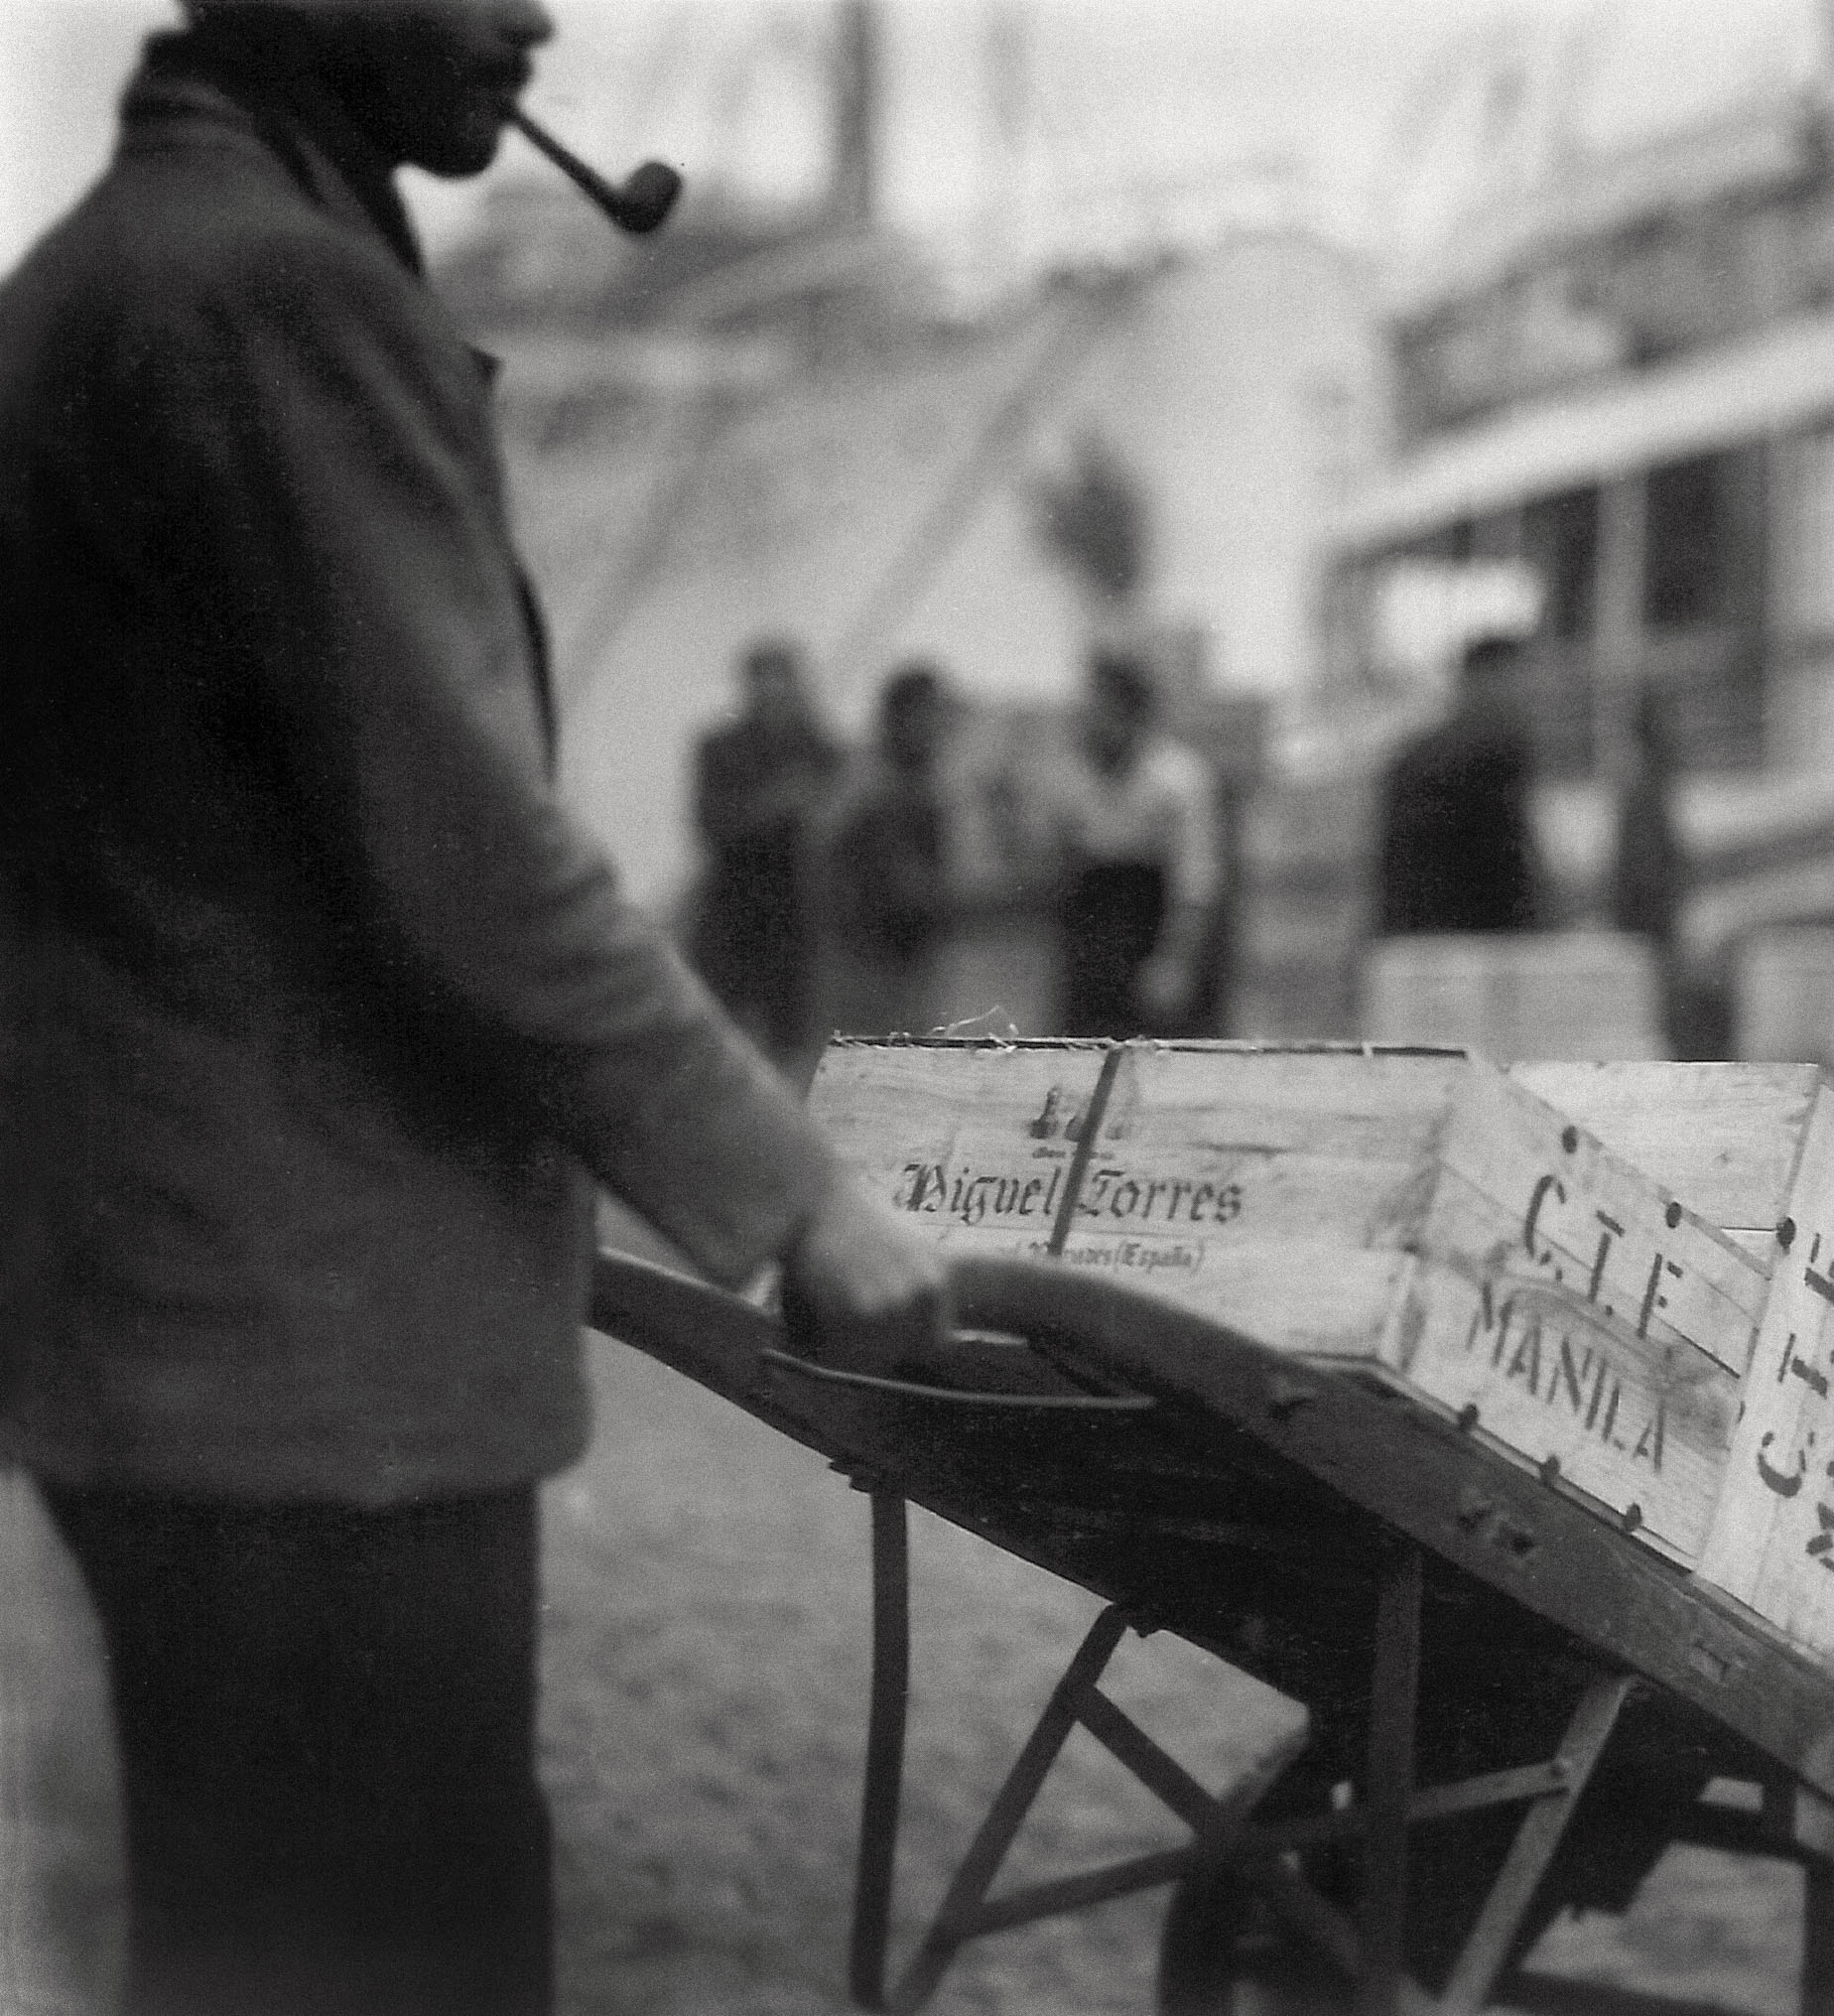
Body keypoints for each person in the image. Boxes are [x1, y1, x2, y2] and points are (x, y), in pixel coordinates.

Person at [0, 7, 942, 2015]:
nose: (533, 21)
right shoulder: (277, 297)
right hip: (315, 1378)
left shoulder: (93, 275)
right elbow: (479, 865)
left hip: (152, 1333)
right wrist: (798, 1199)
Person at [1039, 649, 1223, 1037]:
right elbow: (1055, 865)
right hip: (1092, 950)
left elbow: (1196, 884)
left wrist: (1176, 962)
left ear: (1132, 713)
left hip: (1152, 940)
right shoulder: (1070, 776)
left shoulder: (1179, 778)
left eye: (1103, 710)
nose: (1091, 721)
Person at [687, 636, 845, 1072]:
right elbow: (712, 827)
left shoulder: (819, 746)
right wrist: (777, 803)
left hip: (795, 921)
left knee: (794, 1048)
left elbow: (839, 817)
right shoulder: (721, 747)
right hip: (734, 917)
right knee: (725, 1045)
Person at [816, 662, 956, 1040]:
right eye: (925, 714)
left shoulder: (929, 779)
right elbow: (826, 850)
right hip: (862, 951)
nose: (933, 727)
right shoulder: (866, 778)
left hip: (911, 949)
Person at [1376, 632, 1545, 936]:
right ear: (1487, 678)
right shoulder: (1495, 751)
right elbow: (1508, 870)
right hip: (1472, 943)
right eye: (1520, 679)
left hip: (1413, 938)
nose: (1529, 694)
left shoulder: (1414, 754)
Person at [1610, 678, 1730, 1059]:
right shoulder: (1644, 789)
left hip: (1660, 930)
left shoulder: (1649, 787)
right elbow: (1644, 873)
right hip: (1656, 934)